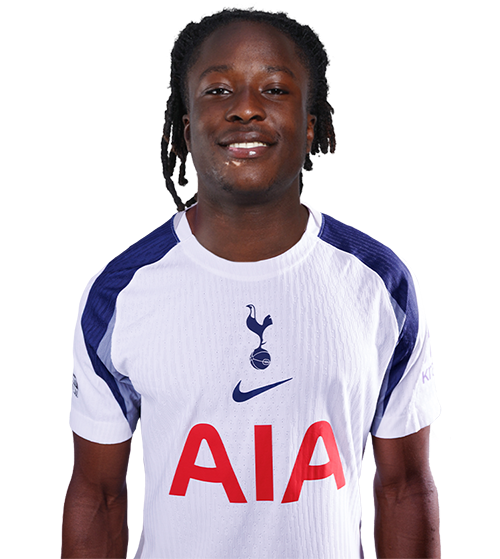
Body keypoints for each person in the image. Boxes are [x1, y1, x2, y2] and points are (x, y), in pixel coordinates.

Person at [62, 7, 442, 559]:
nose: (245, 108)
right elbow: (97, 494)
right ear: (187, 129)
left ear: (310, 126)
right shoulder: (119, 291)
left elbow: (404, 485)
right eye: (218, 90)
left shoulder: (381, 282)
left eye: (275, 89)